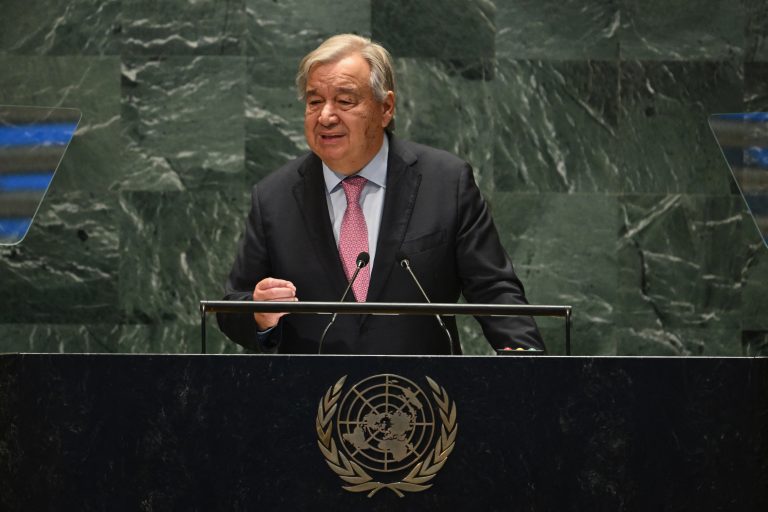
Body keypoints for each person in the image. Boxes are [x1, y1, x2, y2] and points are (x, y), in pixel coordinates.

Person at [218, 34, 544, 355]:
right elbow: (232, 306)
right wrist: (259, 314)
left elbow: (494, 292)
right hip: (312, 401)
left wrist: (527, 365)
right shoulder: (275, 197)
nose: (325, 116)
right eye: (314, 101)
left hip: (425, 398)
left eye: (345, 101)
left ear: (385, 107)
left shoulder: (445, 182)